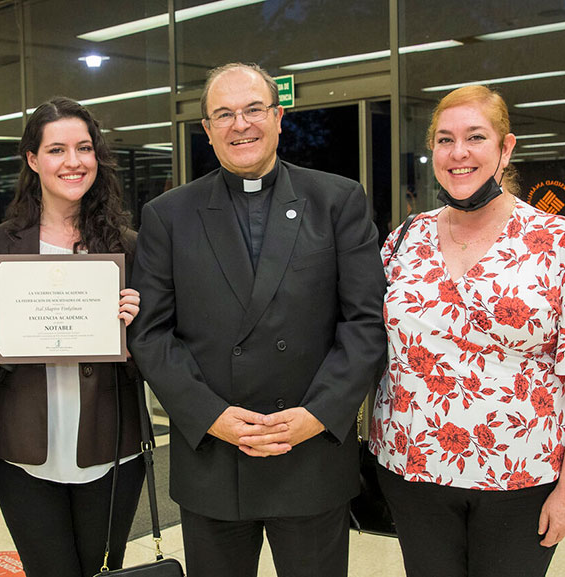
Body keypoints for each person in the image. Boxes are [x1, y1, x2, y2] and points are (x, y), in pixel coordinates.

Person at [128, 62, 387, 577]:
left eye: (252, 110)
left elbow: (365, 323)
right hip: (214, 459)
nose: (239, 124)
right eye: (223, 114)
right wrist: (211, 417)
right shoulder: (168, 215)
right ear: (206, 128)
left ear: (278, 116)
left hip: (311, 451)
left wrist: (317, 414)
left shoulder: (337, 201)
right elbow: (151, 333)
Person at [370, 85, 565, 577]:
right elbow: (366, 341)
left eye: (475, 137)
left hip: (522, 477)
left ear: (505, 147)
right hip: (412, 472)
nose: (459, 152)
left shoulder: (559, 242)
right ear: (433, 152)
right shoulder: (406, 238)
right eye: (445, 140)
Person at [0, 97, 144, 577]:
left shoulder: (128, 246)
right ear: (32, 160)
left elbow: (154, 353)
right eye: (57, 150)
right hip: (22, 448)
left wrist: (134, 335)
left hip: (112, 446)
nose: (73, 161)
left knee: (99, 571)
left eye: (84, 148)